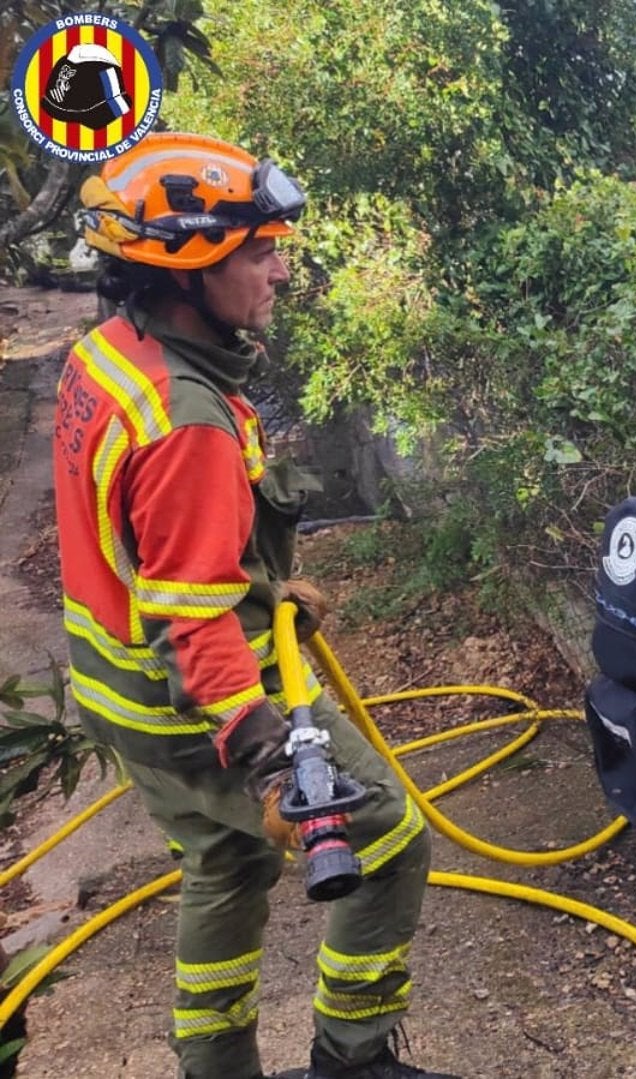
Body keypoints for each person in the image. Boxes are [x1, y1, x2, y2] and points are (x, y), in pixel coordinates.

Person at [56, 132, 456, 1079]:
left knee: (225, 861)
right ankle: (352, 1058)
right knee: (391, 836)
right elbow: (192, 621)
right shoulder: (184, 418)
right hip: (197, 709)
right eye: (259, 251)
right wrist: (275, 757)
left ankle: (217, 1064)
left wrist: (268, 592)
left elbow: (145, 549)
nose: (280, 270)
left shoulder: (112, 355)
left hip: (123, 698)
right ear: (189, 269)